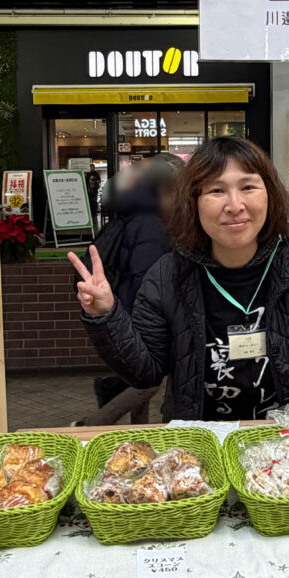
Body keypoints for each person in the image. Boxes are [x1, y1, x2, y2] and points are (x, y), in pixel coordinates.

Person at [68, 137, 289, 421]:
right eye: (216, 190)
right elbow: (145, 371)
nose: (235, 205)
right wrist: (106, 317)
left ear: (268, 195)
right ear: (193, 201)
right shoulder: (168, 274)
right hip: (202, 448)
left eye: (248, 187)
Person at [74, 153, 180, 425]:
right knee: (150, 379)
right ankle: (93, 423)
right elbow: (145, 276)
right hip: (138, 310)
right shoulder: (150, 225)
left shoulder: (135, 216)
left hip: (128, 305)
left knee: (141, 376)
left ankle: (139, 433)